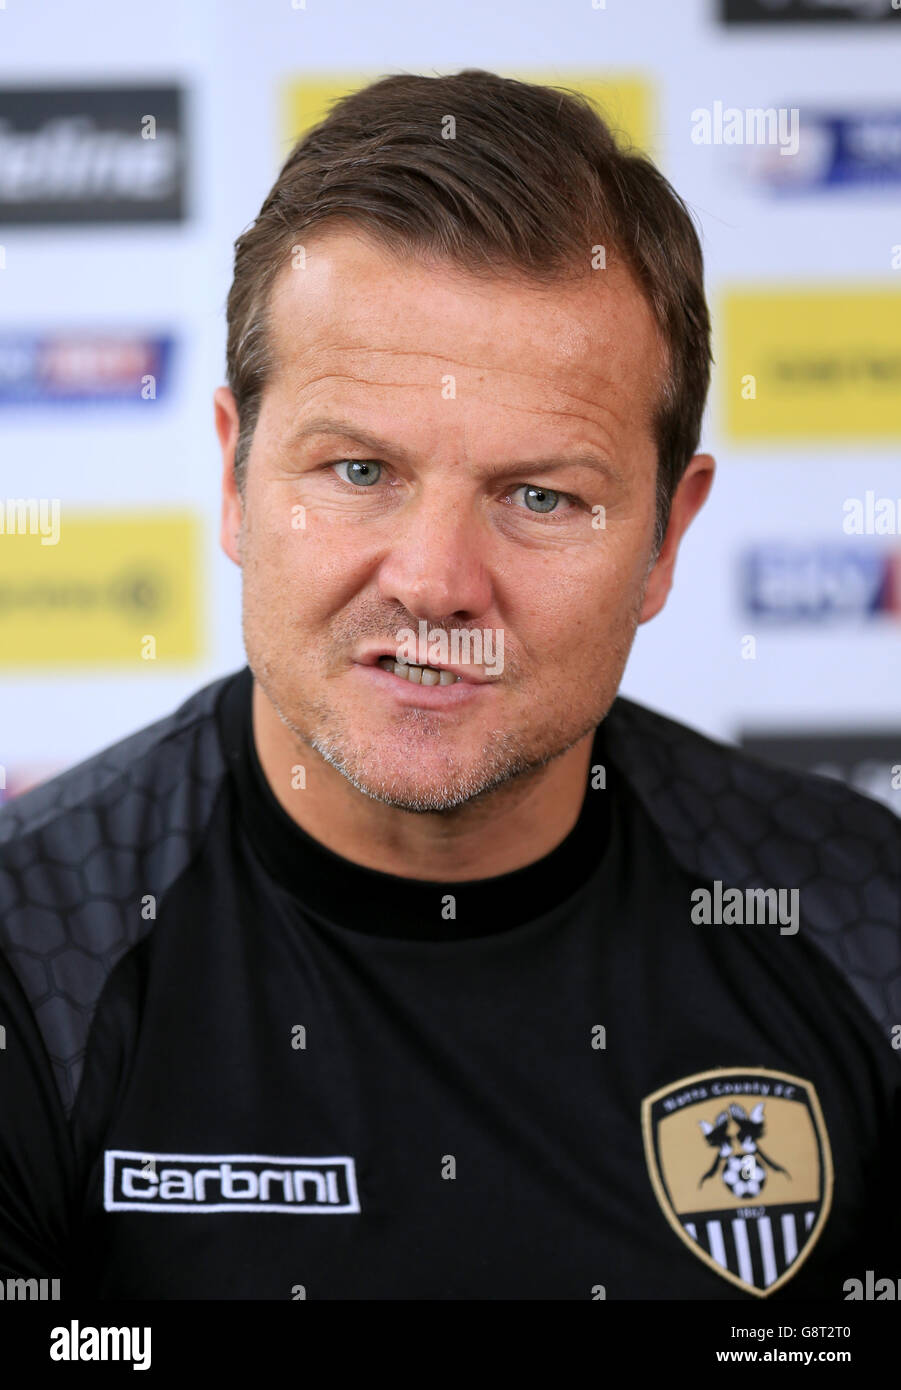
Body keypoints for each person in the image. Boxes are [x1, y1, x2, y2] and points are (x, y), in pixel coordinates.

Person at [0, 70, 897, 1301]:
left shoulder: (864, 924)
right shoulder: (27, 955)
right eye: (359, 467)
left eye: (542, 497)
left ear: (665, 542)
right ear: (233, 479)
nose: (433, 582)